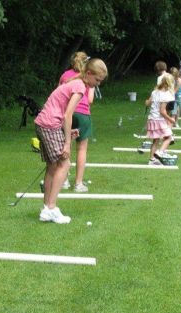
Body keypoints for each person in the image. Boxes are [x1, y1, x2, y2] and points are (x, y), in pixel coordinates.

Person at [35, 58, 107, 224]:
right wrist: (67, 142)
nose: (97, 84)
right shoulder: (80, 86)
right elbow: (68, 115)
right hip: (50, 124)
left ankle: (47, 208)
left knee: (52, 166)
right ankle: (51, 208)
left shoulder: (75, 82)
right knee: (64, 164)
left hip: (44, 123)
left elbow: (60, 110)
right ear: (88, 74)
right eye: (97, 80)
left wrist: (67, 131)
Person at [58, 52, 95, 192]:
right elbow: (90, 100)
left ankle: (64, 180)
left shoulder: (64, 75)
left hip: (67, 112)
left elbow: (59, 93)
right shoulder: (89, 76)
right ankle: (78, 183)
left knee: (66, 145)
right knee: (82, 149)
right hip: (83, 113)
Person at [144, 73, 176, 165]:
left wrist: (147, 102)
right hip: (158, 120)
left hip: (152, 119)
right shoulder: (165, 95)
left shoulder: (154, 92)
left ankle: (152, 160)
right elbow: (162, 111)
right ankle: (160, 152)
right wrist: (171, 119)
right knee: (169, 137)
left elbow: (147, 103)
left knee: (156, 140)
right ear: (168, 84)